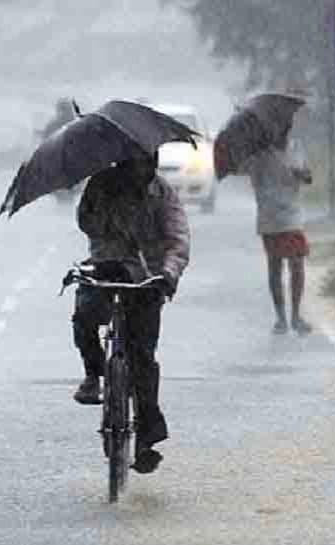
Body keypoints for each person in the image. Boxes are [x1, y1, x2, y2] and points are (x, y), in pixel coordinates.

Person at [71, 151, 190, 474]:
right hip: (105, 269)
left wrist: (167, 274)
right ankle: (94, 375)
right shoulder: (101, 184)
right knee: (84, 316)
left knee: (143, 360)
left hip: (148, 279)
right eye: (133, 163)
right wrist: (108, 217)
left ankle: (147, 440)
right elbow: (85, 221)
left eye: (146, 163)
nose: (140, 170)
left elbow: (178, 239)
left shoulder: (162, 193)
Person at [242, 125, 313, 335]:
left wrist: (301, 173)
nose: (282, 134)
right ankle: (281, 317)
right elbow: (251, 177)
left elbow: (308, 177)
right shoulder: (259, 155)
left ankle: (296, 315)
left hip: (292, 215)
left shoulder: (296, 147)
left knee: (297, 264)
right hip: (269, 216)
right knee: (275, 266)